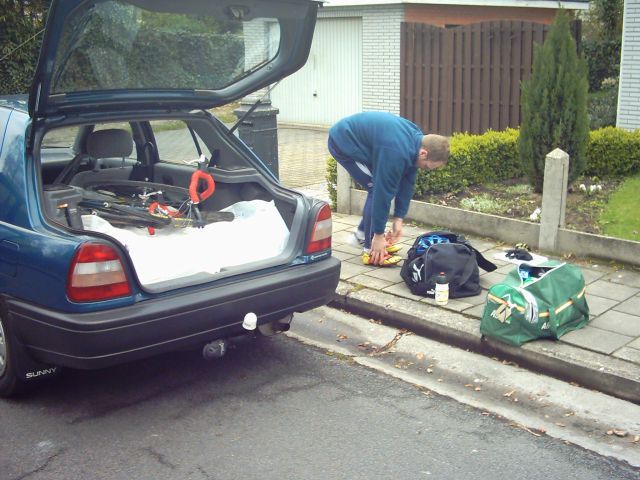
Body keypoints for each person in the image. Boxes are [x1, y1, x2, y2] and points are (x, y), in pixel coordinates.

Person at [328, 111, 450, 266]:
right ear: (424, 153)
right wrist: (379, 235)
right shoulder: (396, 152)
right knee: (376, 189)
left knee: (382, 186)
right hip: (343, 141)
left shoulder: (415, 143)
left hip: (371, 144)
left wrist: (399, 218)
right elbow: (382, 194)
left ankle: (360, 236)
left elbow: (407, 183)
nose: (427, 169)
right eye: (427, 167)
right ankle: (370, 249)